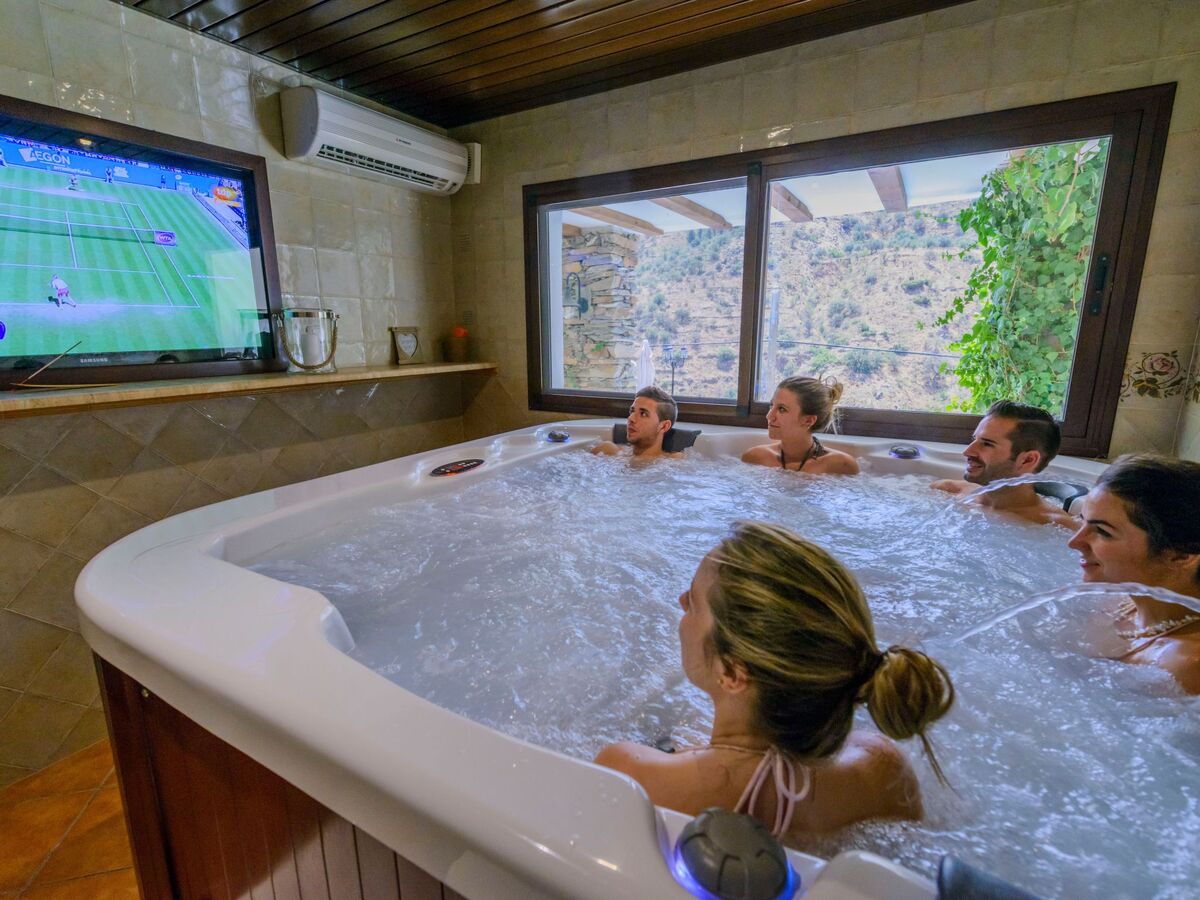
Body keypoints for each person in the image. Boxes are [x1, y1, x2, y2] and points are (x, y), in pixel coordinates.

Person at [596, 522, 954, 841]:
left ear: (732, 673)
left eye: (692, 602)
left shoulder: (630, 774)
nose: (680, 602)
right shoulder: (883, 771)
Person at [1070, 454, 1200, 693]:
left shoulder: (1186, 665)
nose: (1074, 542)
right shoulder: (1120, 604)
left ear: (1181, 555)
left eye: (1103, 531)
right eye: (1082, 521)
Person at [930, 399, 1072, 527]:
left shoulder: (1057, 528)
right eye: (974, 439)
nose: (967, 452)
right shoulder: (946, 491)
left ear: (1027, 460)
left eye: (987, 444)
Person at [741, 376, 859, 475]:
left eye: (782, 409)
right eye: (772, 405)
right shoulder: (755, 458)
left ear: (808, 421)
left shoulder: (842, 466)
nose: (769, 416)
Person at [591, 386, 683, 461]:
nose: (631, 418)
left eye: (643, 414)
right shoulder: (607, 451)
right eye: (632, 411)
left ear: (664, 426)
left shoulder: (673, 462)